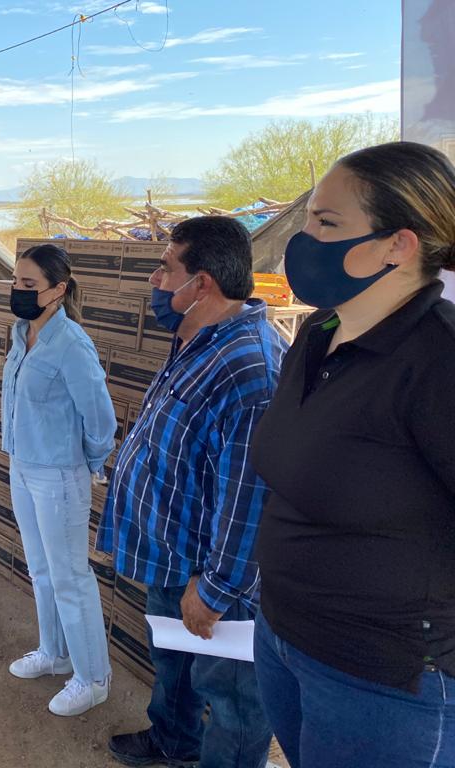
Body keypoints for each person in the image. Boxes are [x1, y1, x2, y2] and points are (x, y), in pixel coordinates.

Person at [251, 142, 455, 768]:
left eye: (326, 223)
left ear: (399, 245)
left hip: (383, 678)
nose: (303, 238)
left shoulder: (439, 359)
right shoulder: (318, 333)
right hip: (284, 637)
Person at [98, 216, 286, 768]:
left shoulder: (250, 371)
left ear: (201, 283)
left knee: (233, 701)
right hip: (175, 554)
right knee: (175, 663)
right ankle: (174, 743)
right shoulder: (199, 338)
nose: (155, 280)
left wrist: (216, 589)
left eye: (165, 268)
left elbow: (253, 497)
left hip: (217, 577)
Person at [2, 244, 117, 717]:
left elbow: (100, 417)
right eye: (16, 281)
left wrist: (89, 462)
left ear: (58, 290)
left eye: (29, 284)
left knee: (70, 577)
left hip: (59, 473)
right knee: (41, 569)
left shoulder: (71, 343)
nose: (19, 291)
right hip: (22, 465)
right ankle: (54, 652)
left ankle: (93, 678)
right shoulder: (21, 334)